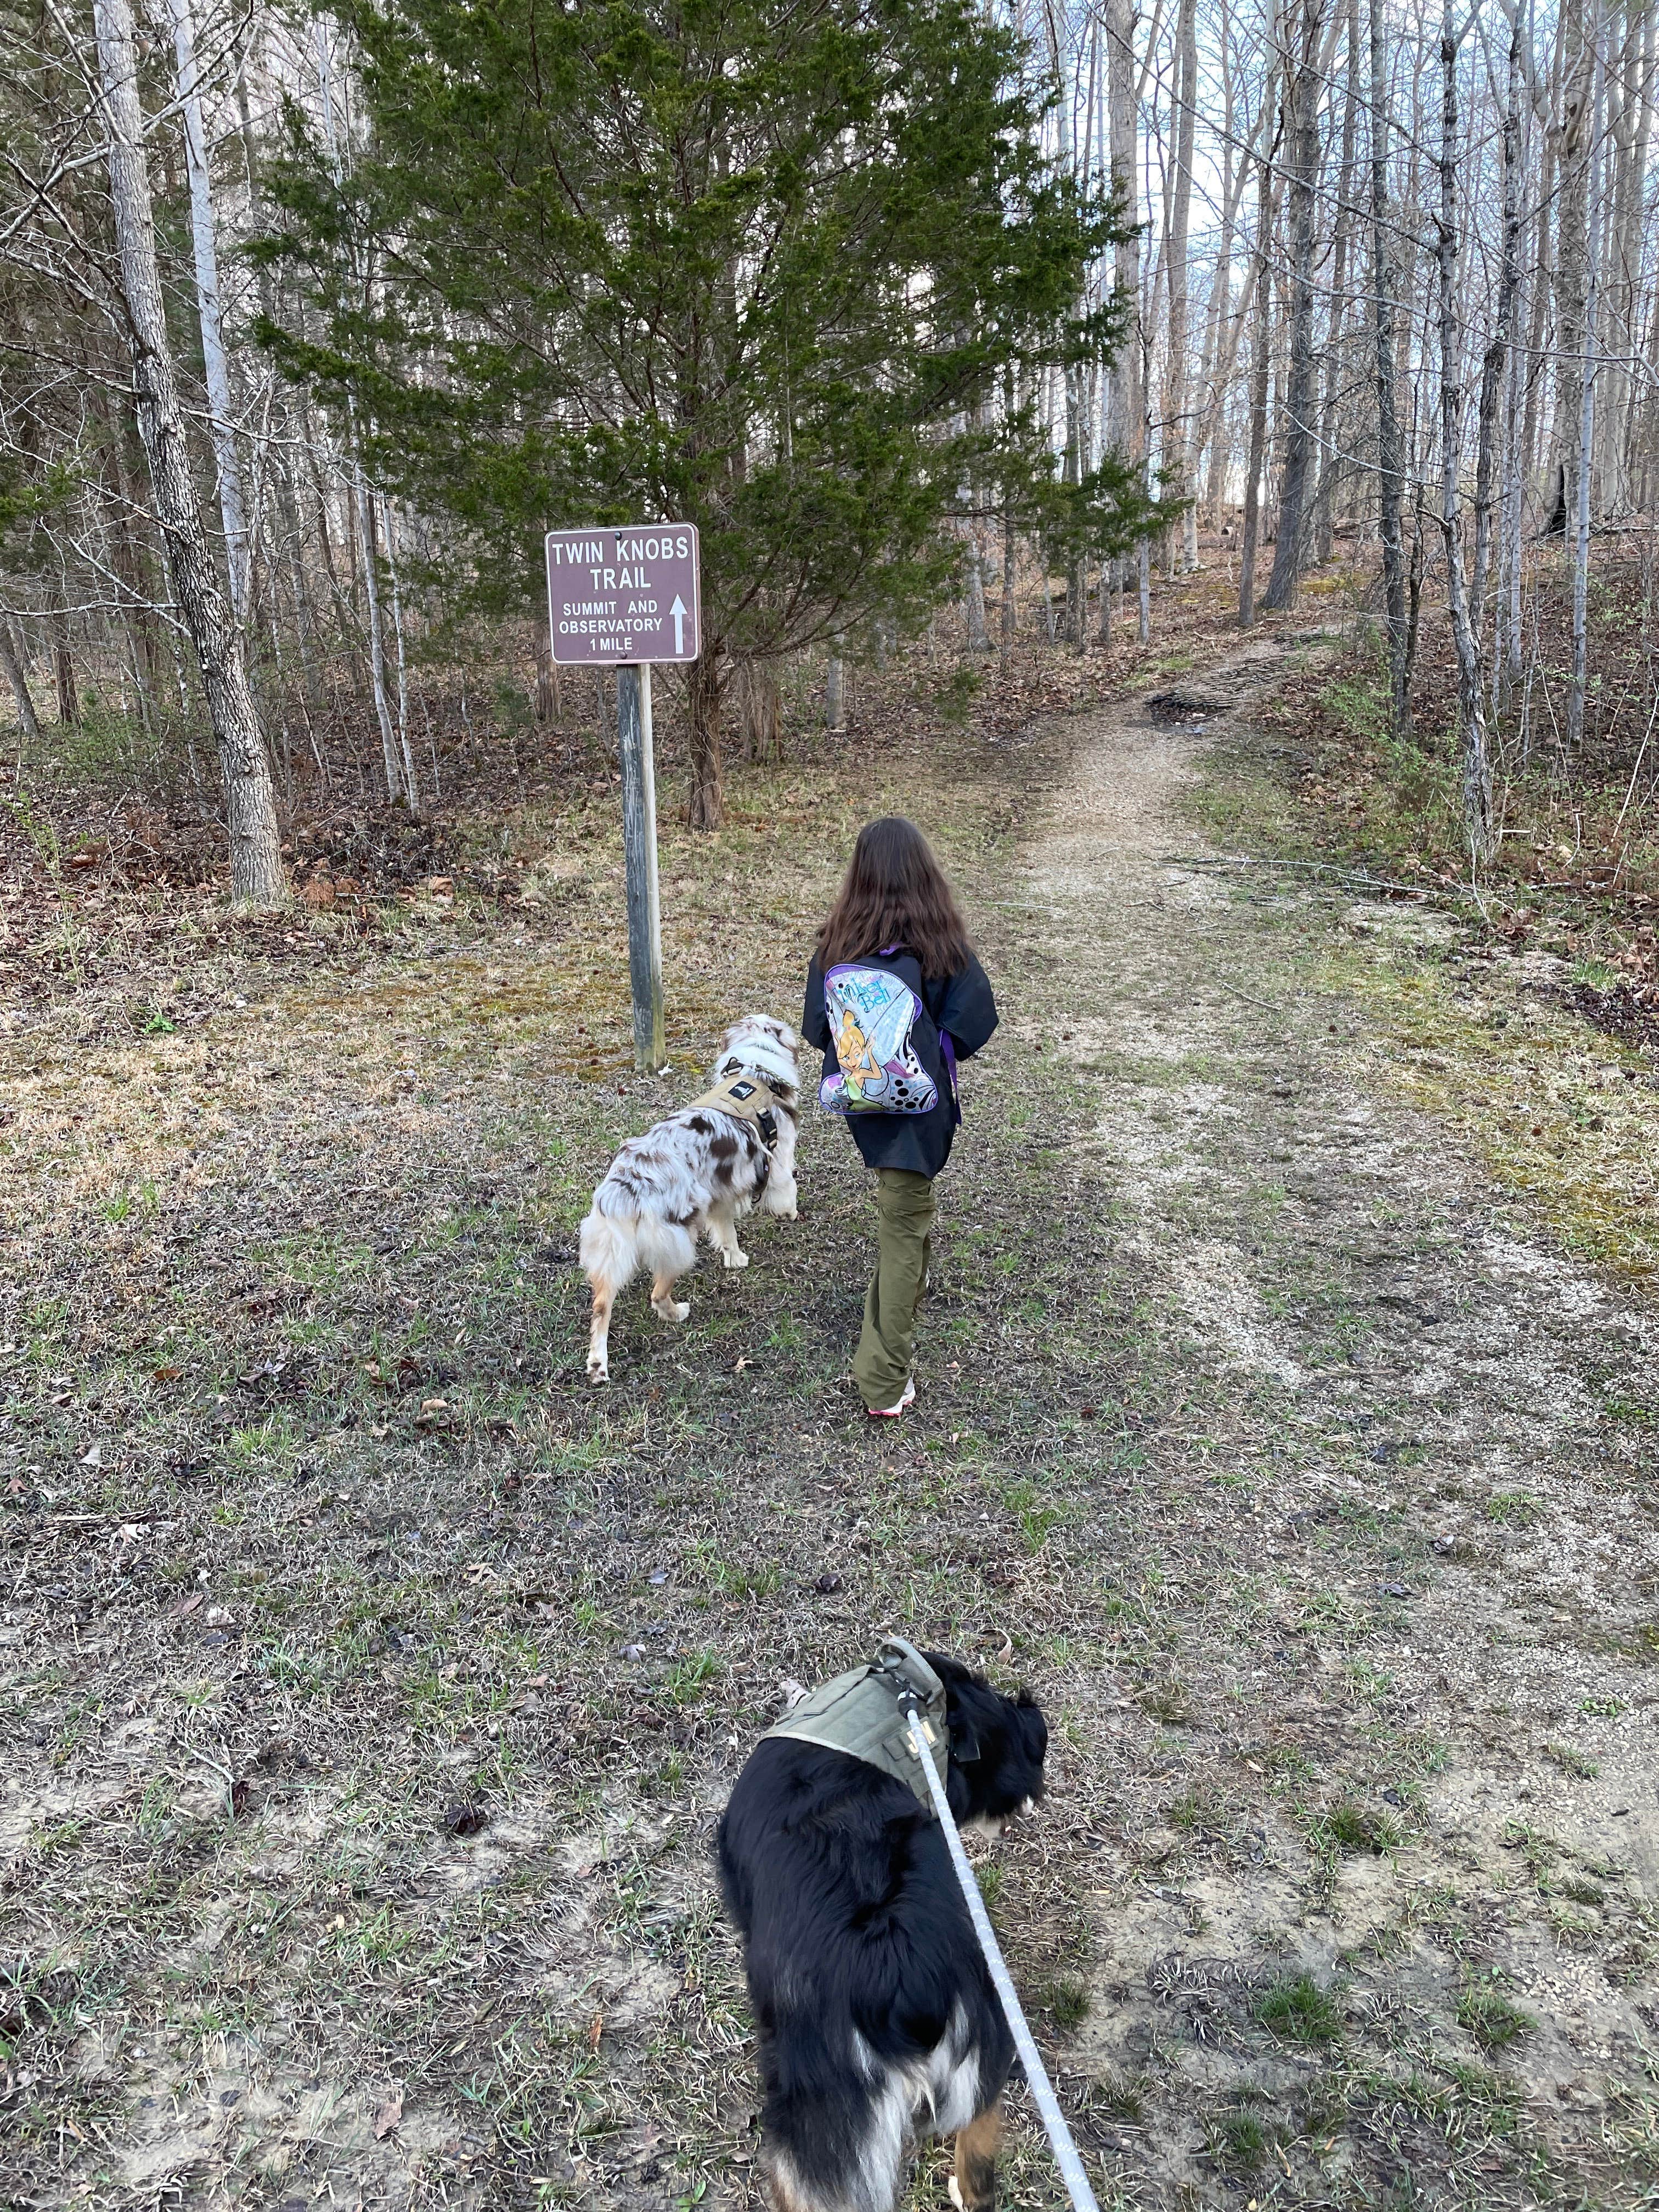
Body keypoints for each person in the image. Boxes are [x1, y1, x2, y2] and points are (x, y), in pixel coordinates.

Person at [803, 817, 997, 1418]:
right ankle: (883, 1382)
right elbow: (975, 1023)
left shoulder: (836, 943)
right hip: (921, 1110)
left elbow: (818, 1031)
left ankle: (910, 1286)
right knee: (903, 1227)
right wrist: (923, 1051)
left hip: (865, 1106)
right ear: (924, 873)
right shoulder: (942, 944)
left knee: (905, 1207)